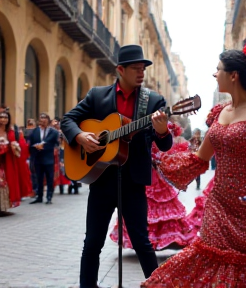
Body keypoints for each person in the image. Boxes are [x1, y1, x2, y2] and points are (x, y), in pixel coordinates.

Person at [141, 40, 246, 287]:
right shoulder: (219, 112)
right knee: (205, 257)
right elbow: (200, 158)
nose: (214, 73)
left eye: (218, 68)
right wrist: (161, 153)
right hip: (218, 204)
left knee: (243, 265)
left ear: (233, 75)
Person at [60, 44, 173, 288]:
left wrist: (162, 132)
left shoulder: (153, 101)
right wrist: (80, 136)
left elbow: (164, 146)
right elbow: (68, 119)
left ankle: (157, 285)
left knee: (142, 242)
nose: (141, 72)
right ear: (120, 69)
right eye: (135, 68)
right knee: (92, 243)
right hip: (101, 179)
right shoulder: (96, 95)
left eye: (143, 68)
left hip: (133, 181)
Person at [110, 121, 197, 250]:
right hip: (141, 172)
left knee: (152, 205)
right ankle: (146, 241)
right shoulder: (139, 122)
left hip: (153, 172)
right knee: (140, 206)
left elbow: (165, 148)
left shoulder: (162, 127)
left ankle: (160, 240)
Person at [0, 107, 32, 215]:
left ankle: (3, 207)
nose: (3, 119)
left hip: (7, 162)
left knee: (6, 184)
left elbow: (17, 146)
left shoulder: (11, 132)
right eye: (1, 117)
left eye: (5, 117)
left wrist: (12, 146)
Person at [29, 113, 59, 205]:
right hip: (38, 158)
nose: (43, 123)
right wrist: (36, 147)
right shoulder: (35, 131)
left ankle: (49, 196)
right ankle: (39, 196)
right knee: (39, 178)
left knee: (50, 178)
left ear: (48, 121)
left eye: (45, 121)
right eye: (41, 121)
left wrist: (45, 147)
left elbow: (56, 144)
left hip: (49, 158)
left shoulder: (53, 132)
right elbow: (31, 144)